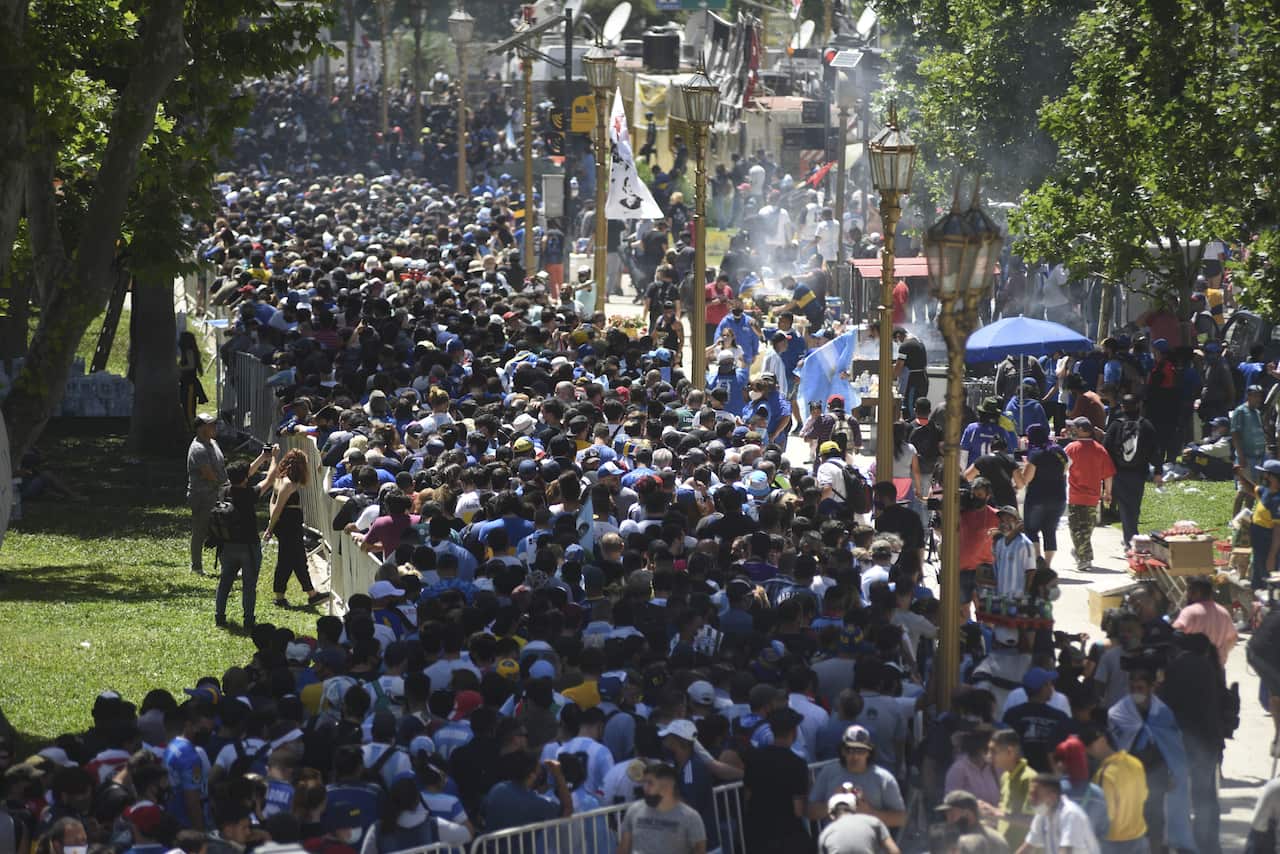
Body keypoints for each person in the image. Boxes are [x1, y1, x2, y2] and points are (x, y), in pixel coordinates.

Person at [1106, 664, 1196, 853]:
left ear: (1151, 688)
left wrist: (1173, 772)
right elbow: (1115, 745)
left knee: (1155, 816)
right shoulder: (1118, 713)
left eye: (1140, 688)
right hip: (1129, 773)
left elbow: (1173, 746)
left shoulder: (1163, 713)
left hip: (1157, 772)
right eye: (1132, 688)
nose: (1136, 692)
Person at [215, 451, 274, 629]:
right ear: (246, 479)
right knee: (249, 585)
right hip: (248, 546)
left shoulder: (224, 491)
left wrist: (263, 457)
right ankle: (248, 620)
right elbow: (270, 478)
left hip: (226, 545)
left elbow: (241, 475)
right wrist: (274, 458)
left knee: (225, 582)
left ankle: (220, 616)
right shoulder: (250, 494)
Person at [263, 448, 329, 608]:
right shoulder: (287, 484)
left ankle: (310, 594)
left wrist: (273, 523)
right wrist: (270, 528)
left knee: (296, 560)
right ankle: (284, 596)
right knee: (289, 561)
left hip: (286, 525)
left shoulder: (281, 479)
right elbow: (278, 507)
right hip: (289, 527)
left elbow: (273, 502)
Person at [809, 725, 906, 829]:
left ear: (869, 752)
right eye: (850, 750)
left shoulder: (884, 778)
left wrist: (870, 813)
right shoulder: (828, 772)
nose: (855, 756)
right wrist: (832, 804)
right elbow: (810, 812)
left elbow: (901, 818)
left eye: (860, 751)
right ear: (842, 751)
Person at [743, 708, 810, 853]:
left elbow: (747, 796)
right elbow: (798, 810)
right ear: (794, 731)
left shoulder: (754, 758)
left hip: (758, 833)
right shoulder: (797, 763)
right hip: (787, 836)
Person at [1103, 394, 1161, 548]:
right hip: (1139, 472)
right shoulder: (1146, 425)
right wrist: (1158, 471)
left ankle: (1130, 538)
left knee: (1124, 505)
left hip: (1119, 472)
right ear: (1139, 406)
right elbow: (1156, 451)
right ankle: (1131, 537)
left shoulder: (1116, 425)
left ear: (1122, 407)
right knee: (1134, 505)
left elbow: (1106, 449)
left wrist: (1105, 472)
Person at [1080, 726, 1148, 854]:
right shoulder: (1135, 762)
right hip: (1139, 836)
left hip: (1114, 843)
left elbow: (1106, 814)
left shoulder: (1103, 774)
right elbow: (1143, 795)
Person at [616, 761, 707, 854]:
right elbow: (623, 848)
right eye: (644, 783)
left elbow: (699, 850)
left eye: (650, 783)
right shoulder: (634, 810)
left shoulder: (690, 818)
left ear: (668, 786)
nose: (645, 788)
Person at [1064, 417, 1116, 572]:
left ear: (1081, 430)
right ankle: (1081, 553)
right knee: (1087, 527)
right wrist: (1108, 492)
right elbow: (1108, 474)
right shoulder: (1100, 449)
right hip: (1093, 496)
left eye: (1074, 427)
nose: (1072, 430)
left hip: (1074, 495)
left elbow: (1062, 469)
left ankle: (1084, 558)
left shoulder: (1070, 449)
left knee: (1075, 527)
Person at [1020, 424, 1068, 568]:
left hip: (1037, 498)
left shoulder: (1035, 454)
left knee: (1031, 530)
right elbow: (1065, 470)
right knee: (1050, 531)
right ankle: (1047, 565)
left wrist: (1025, 466)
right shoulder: (1059, 451)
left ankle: (1037, 561)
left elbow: (1026, 479)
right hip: (1058, 497)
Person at [188, 412, 228, 577]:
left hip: (216, 493)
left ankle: (227, 566)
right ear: (201, 428)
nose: (214, 427)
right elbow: (208, 474)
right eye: (210, 424)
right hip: (202, 495)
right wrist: (227, 487)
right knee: (200, 530)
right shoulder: (198, 448)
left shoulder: (213, 443)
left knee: (222, 530)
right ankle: (196, 566)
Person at [1021, 772, 1102, 854]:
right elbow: (1027, 848)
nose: (1030, 799)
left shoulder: (1070, 814)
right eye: (1030, 794)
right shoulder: (1042, 815)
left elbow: (1066, 851)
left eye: (1035, 795)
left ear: (1052, 797)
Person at [988, 728, 1038, 851]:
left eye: (994, 751)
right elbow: (1005, 814)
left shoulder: (1029, 778)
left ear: (1010, 752)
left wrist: (995, 812)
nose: (989, 756)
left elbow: (1034, 821)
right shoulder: (1005, 777)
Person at [817, 783, 900, 854]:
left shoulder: (825, 834)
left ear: (831, 815)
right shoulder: (874, 822)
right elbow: (894, 851)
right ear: (854, 808)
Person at [935, 789, 1010, 854]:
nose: (949, 821)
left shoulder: (969, 842)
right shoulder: (995, 835)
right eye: (947, 815)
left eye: (952, 815)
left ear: (968, 814)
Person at [992, 506, 1036, 598]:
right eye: (1002, 521)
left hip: (1017, 599)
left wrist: (1026, 595)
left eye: (1008, 520)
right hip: (1001, 597)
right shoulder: (999, 544)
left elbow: (1031, 571)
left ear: (1017, 522)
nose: (1004, 524)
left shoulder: (1025, 544)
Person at [892, 327, 929, 420]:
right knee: (920, 407)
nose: (897, 343)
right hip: (923, 379)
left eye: (896, 341)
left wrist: (893, 377)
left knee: (910, 408)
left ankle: (911, 430)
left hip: (913, 381)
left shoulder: (905, 346)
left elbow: (899, 365)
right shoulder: (919, 341)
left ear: (898, 336)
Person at [178, 330, 207, 430]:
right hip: (185, 382)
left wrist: (179, 368)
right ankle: (190, 427)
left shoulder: (189, 351)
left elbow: (191, 365)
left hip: (190, 384)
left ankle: (192, 429)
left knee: (189, 409)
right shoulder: (187, 351)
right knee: (186, 407)